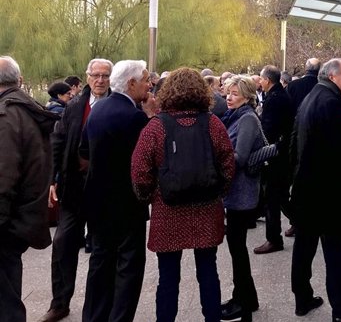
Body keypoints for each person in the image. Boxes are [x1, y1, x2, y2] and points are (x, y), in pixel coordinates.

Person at [131, 68, 235, 322]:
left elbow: (140, 170)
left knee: (167, 276)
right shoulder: (213, 123)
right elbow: (228, 163)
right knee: (208, 271)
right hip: (207, 207)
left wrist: (149, 196)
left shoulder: (156, 127)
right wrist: (218, 191)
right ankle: (212, 318)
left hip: (168, 209)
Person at [290, 58, 341, 322]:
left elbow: (296, 142)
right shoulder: (330, 102)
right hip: (326, 194)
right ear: (333, 76)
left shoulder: (312, 97)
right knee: (335, 254)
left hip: (306, 189)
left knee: (303, 249)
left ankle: (302, 298)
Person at [80, 59, 158, 322]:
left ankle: (93, 316)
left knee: (100, 263)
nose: (149, 84)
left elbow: (83, 151)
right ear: (131, 83)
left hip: (97, 200)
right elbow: (149, 156)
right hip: (126, 202)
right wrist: (151, 118)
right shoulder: (134, 116)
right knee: (128, 267)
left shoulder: (98, 110)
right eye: (145, 79)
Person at [40, 58, 113, 322]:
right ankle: (59, 303)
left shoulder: (119, 106)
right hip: (73, 190)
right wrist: (52, 180)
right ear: (88, 77)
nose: (101, 80)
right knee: (62, 244)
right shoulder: (73, 107)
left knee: (102, 251)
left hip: (104, 192)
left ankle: (96, 309)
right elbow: (57, 143)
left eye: (106, 75)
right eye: (96, 75)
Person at [0, 56, 58, 322]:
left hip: (7, 221)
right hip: (22, 216)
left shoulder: (7, 114)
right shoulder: (25, 108)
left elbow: (4, 177)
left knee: (6, 302)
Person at [219, 75, 265, 321]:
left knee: (238, 249)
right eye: (228, 92)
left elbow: (241, 157)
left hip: (243, 193)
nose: (229, 97)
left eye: (234, 93)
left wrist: (216, 157)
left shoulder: (246, 119)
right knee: (236, 247)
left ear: (247, 97)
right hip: (237, 192)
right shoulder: (236, 116)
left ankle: (243, 301)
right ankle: (247, 296)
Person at [254, 65, 295, 254]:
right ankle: (298, 222)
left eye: (261, 79)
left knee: (273, 196)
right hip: (282, 153)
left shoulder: (274, 99)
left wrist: (263, 150)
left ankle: (273, 238)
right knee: (281, 196)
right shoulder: (281, 96)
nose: (259, 82)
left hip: (276, 155)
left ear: (267, 80)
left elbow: (269, 129)